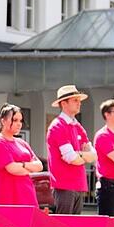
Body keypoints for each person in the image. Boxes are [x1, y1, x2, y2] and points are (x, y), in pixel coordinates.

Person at [46, 84, 96, 214]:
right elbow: (72, 158)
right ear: (64, 103)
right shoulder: (57, 126)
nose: (79, 103)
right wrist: (83, 154)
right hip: (64, 186)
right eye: (75, 100)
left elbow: (94, 156)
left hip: (77, 185)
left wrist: (79, 155)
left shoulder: (77, 126)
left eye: (79, 100)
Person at [0, 103, 42, 206]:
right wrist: (30, 167)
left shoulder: (22, 143)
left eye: (20, 120)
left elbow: (39, 166)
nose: (19, 124)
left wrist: (22, 165)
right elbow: (13, 169)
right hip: (8, 198)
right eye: (15, 120)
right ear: (3, 121)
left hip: (28, 196)